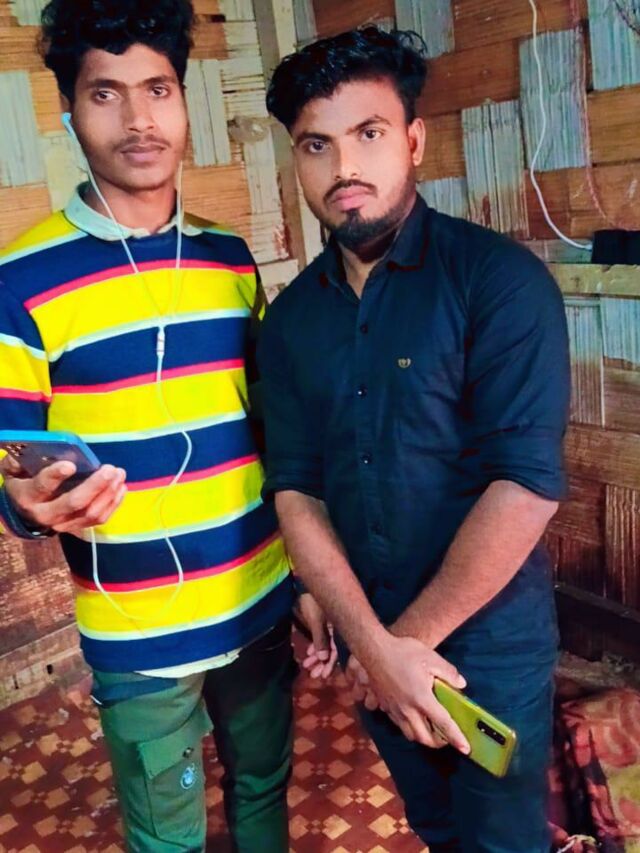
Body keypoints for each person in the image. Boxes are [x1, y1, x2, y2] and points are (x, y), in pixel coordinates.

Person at [260, 26, 571, 853]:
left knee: (503, 838)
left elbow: (525, 485)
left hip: (488, 649)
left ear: (414, 141)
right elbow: (296, 490)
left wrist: (402, 648)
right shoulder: (290, 323)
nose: (344, 167)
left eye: (369, 133)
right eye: (317, 145)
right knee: (435, 827)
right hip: (370, 635)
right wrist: (374, 647)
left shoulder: (499, 282)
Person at [0, 2, 298, 850]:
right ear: (69, 112)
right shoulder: (19, 281)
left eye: (158, 90)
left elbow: (270, 424)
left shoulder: (228, 257)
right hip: (136, 626)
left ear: (183, 101)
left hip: (259, 592)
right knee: (166, 836)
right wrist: (24, 504)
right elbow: (13, 460)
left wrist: (308, 580)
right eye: (106, 93)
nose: (138, 119)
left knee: (262, 791)